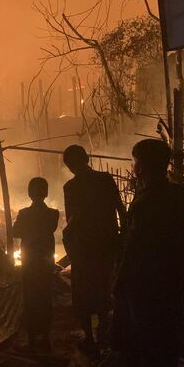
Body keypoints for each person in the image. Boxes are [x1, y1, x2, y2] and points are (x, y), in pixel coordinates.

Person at [112, 139, 184, 367]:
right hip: (174, 277)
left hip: (146, 283)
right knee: (167, 336)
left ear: (142, 167)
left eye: (137, 163)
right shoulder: (181, 194)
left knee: (147, 337)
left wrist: (120, 282)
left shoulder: (146, 202)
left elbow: (135, 248)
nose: (134, 168)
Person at [61, 145, 125, 352]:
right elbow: (120, 208)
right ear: (86, 158)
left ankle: (90, 338)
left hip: (83, 247)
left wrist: (67, 240)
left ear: (69, 166)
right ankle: (105, 333)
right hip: (106, 243)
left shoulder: (71, 187)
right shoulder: (105, 179)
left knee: (83, 291)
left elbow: (72, 218)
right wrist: (122, 236)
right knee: (105, 286)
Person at [13, 177, 59, 353]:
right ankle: (45, 337)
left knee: (30, 297)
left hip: (29, 261)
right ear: (46, 193)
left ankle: (32, 338)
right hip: (46, 261)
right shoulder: (53, 214)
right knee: (46, 297)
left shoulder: (24, 214)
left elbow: (15, 232)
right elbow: (51, 229)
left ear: (30, 194)